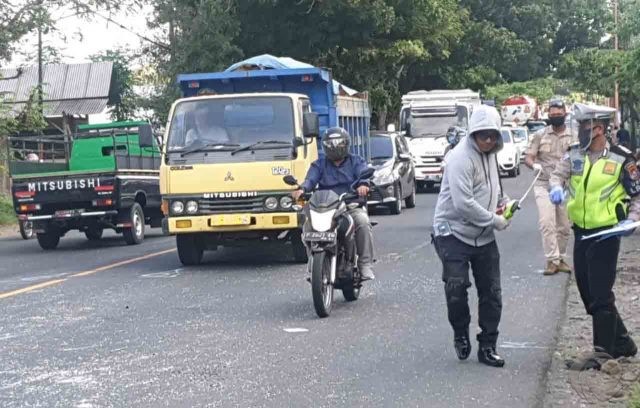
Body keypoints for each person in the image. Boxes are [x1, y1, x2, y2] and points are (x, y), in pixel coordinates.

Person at [549, 103, 640, 368]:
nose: (580, 132)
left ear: (598, 128)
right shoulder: (574, 155)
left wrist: (632, 221)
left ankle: (602, 352)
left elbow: (637, 195)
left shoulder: (622, 158)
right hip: (582, 231)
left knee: (600, 292)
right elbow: (557, 176)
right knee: (588, 291)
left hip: (607, 233)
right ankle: (622, 342)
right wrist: (556, 188)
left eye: (584, 127)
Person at [432, 105, 510, 368]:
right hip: (452, 231)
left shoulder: (491, 156)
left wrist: (503, 203)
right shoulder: (459, 159)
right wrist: (494, 220)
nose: (487, 140)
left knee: (492, 292)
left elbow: (493, 186)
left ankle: (488, 346)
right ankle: (460, 332)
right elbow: (463, 203)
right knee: (456, 288)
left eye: (492, 136)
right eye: (482, 135)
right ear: (473, 134)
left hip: (483, 235)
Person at [291, 127, 375, 281]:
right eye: (331, 144)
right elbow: (310, 179)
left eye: (339, 143)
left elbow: (364, 173)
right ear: (325, 146)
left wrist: (363, 185)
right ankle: (313, 263)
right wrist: (302, 189)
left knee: (362, 222)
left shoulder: (356, 161)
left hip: (350, 205)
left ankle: (365, 264)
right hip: (325, 207)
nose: (335, 147)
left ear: (346, 144)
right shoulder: (319, 164)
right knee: (307, 226)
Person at [524, 99, 573, 275]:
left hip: (564, 186)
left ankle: (560, 258)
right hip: (543, 183)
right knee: (547, 222)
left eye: (559, 115)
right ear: (548, 116)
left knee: (564, 225)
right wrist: (533, 165)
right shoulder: (540, 135)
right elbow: (528, 157)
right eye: (552, 115)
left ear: (565, 115)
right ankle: (552, 260)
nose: (556, 117)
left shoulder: (573, 137)